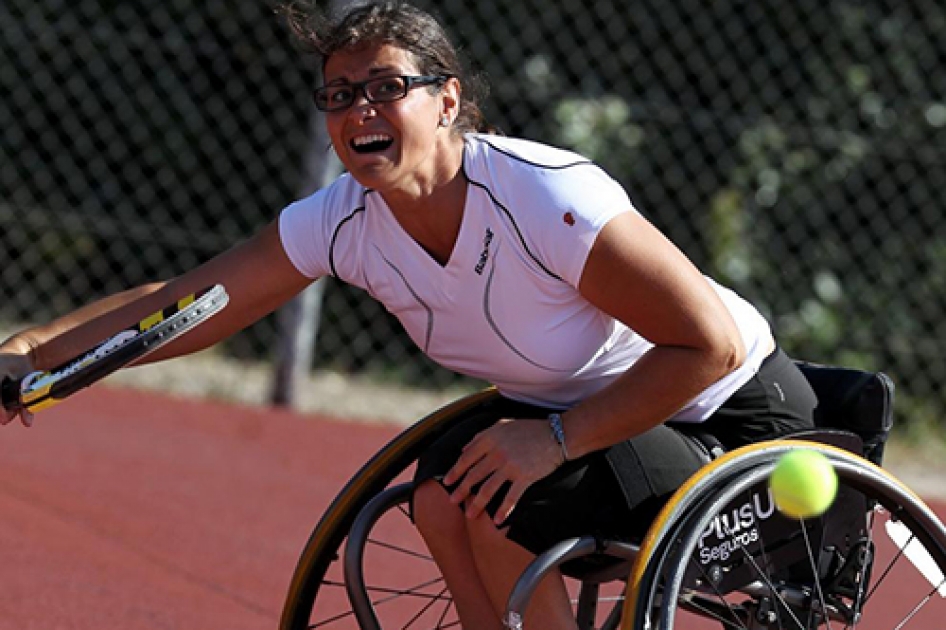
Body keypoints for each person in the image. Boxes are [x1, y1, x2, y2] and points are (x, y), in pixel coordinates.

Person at [0, 1, 817, 627]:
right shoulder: (344, 220)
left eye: (387, 88)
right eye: (340, 94)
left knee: (501, 508)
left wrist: (556, 439)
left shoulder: (545, 199)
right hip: (587, 417)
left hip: (730, 418)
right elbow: (191, 302)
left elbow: (705, 345)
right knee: (442, 496)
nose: (359, 110)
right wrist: (34, 350)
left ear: (447, 101)